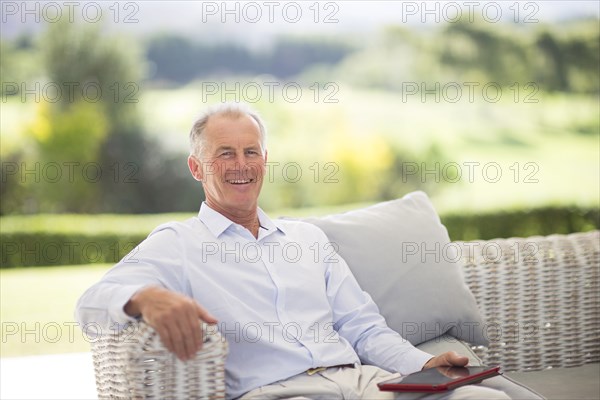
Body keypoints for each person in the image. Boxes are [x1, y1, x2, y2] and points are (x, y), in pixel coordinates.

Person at [76, 103, 509, 399]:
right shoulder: (178, 244)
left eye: (251, 152)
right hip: (280, 392)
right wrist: (145, 297)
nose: (241, 165)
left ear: (265, 159)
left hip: (366, 383)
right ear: (196, 167)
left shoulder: (307, 240)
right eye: (225, 154)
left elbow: (363, 328)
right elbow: (90, 305)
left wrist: (426, 362)